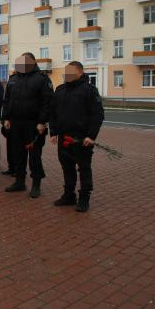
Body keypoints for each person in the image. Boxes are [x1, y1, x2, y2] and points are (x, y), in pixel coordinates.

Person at [50, 61, 104, 212]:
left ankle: (84, 198)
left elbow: (97, 115)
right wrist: (53, 132)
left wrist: (91, 136)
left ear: (80, 72)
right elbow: (53, 112)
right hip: (63, 138)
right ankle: (69, 195)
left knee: (84, 168)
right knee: (67, 167)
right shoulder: (60, 90)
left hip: (82, 139)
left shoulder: (89, 90)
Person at [2, 52, 53, 198]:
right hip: (15, 123)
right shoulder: (13, 79)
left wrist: (42, 122)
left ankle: (36, 184)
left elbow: (47, 102)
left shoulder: (41, 79)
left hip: (34, 124)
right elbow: (6, 101)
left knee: (34, 156)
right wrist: (5, 118)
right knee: (18, 154)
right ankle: (19, 182)